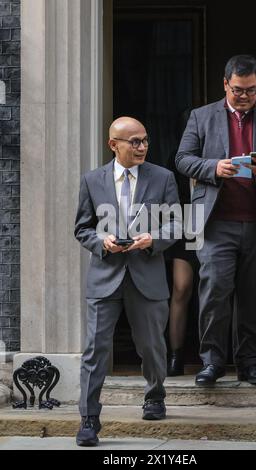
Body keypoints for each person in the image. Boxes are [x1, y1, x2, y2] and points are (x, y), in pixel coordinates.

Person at [175, 55, 256, 386]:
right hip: (216, 223)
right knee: (215, 292)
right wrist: (214, 167)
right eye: (239, 90)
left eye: (253, 90)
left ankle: (249, 362)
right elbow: (183, 159)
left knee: (254, 297)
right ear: (225, 83)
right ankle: (212, 362)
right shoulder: (200, 117)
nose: (246, 96)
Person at [74, 117, 180, 446]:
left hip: (147, 274)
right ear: (113, 145)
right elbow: (82, 228)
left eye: (145, 140)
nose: (142, 146)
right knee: (95, 350)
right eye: (133, 141)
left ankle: (155, 395)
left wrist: (154, 239)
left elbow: (177, 224)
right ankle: (89, 418)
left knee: (151, 346)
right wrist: (100, 243)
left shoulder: (163, 178)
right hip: (105, 276)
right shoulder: (92, 181)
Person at [165, 153, 197, 376]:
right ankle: (175, 355)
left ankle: (216, 356)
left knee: (217, 290)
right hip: (186, 226)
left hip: (219, 225)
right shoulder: (176, 166)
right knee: (181, 288)